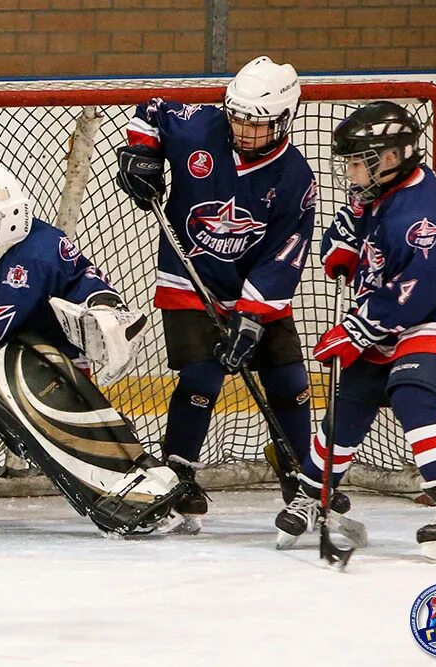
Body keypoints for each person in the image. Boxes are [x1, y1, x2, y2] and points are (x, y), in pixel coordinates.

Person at [0, 164, 187, 536]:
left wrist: (105, 313)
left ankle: (132, 491)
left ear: (8, 223)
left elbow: (86, 285)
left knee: (12, 369)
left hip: (34, 372)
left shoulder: (43, 249)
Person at [115, 55, 323, 533]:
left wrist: (250, 318)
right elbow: (150, 110)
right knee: (202, 379)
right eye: (239, 117)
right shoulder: (199, 127)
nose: (245, 130)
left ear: (286, 118)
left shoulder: (294, 179)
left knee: (289, 381)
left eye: (259, 123)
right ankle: (180, 472)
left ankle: (297, 472)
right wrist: (141, 156)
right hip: (190, 281)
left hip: (256, 292)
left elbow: (285, 254)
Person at [275, 101, 436, 561]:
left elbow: (418, 291)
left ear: (390, 157)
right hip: (393, 312)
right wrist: (345, 241)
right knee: (350, 402)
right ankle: (315, 494)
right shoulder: (381, 186)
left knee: (411, 393)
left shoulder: (420, 216)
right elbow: (357, 215)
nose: (350, 171)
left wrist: (356, 329)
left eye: (357, 161)